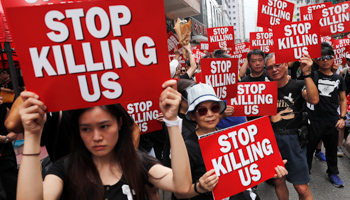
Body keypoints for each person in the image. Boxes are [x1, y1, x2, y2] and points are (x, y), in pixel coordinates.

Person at [16, 80, 193, 199]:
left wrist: (172, 121)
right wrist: (31, 135)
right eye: (86, 129)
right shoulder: (65, 169)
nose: (96, 137)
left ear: (120, 123)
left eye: (104, 126)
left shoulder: (138, 163)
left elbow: (182, 186)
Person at [174, 83, 288, 200]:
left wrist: (270, 167)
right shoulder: (187, 147)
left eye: (214, 108)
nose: (210, 114)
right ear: (192, 116)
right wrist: (199, 187)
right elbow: (179, 192)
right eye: (202, 110)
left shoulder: (229, 137)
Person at [265, 53, 318, 200]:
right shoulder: (263, 89)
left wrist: (306, 73)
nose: (274, 69)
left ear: (286, 64)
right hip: (271, 140)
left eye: (277, 65)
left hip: (294, 140)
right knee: (278, 180)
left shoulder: (298, 85)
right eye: (269, 67)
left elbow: (314, 99)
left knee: (301, 187)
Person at [305, 42, 347, 188]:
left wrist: (342, 118)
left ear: (333, 58)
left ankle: (333, 173)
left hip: (332, 120)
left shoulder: (338, 79)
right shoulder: (311, 75)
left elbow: (342, 100)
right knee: (308, 149)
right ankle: (305, 174)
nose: (325, 60)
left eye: (328, 57)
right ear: (316, 60)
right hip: (313, 120)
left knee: (331, 149)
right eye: (321, 57)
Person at [0, 96, 18, 200]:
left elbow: (14, 134)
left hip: (5, 158)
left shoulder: (3, 109)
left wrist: (5, 139)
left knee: (12, 191)